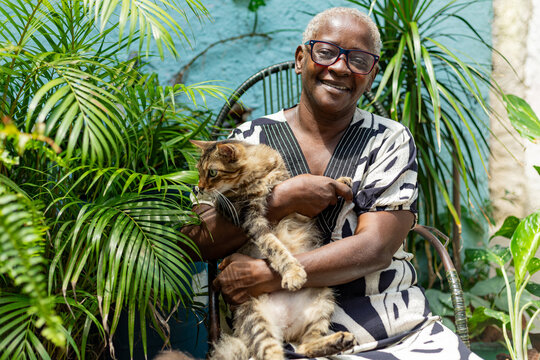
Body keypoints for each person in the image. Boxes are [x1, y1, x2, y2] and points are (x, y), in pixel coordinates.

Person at [182, 7, 481, 359]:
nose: (339, 67)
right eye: (325, 52)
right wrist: (282, 200)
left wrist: (270, 274)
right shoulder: (248, 139)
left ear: (370, 75)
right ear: (300, 59)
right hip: (274, 332)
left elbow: (375, 248)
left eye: (358, 60)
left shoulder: (388, 140)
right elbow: (196, 241)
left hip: (391, 329)